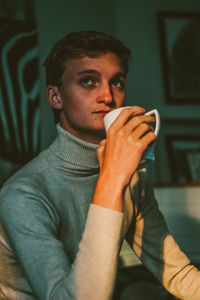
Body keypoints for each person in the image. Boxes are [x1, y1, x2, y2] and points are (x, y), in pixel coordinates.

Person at [0, 30, 199, 300]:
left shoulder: (131, 179)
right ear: (55, 97)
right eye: (88, 81)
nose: (108, 95)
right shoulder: (23, 194)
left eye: (116, 82)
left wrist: (118, 173)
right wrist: (113, 176)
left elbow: (176, 274)